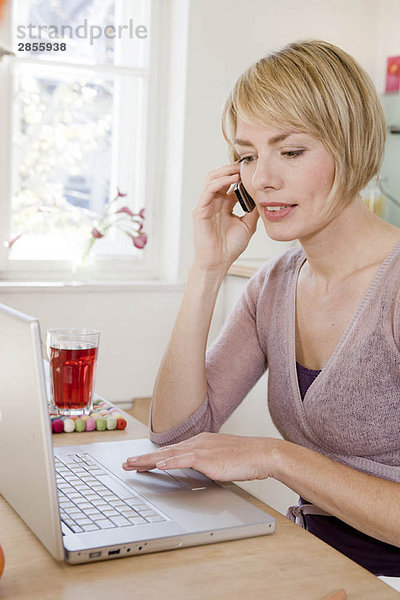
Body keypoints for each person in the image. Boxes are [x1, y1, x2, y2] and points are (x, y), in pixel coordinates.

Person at [122, 39, 400, 576]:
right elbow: (177, 437)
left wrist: (278, 457)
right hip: (313, 561)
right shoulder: (275, 284)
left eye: (290, 151)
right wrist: (207, 269)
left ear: (355, 146)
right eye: (247, 155)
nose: (261, 178)